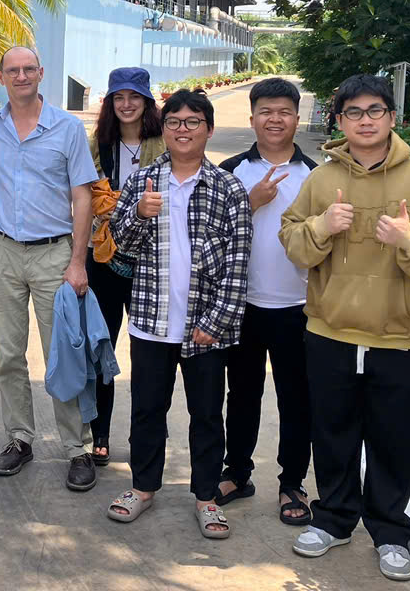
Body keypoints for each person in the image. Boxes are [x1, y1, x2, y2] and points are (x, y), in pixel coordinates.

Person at [280, 73, 410, 581]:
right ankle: (335, 520)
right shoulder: (320, 179)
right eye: (354, 112)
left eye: (375, 111)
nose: (365, 121)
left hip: (397, 334)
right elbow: (292, 239)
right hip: (330, 331)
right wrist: (321, 227)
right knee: (333, 432)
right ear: (338, 120)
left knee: (394, 437)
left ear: (391, 117)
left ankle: (389, 531)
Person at [104, 89, 252, 538]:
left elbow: (238, 264)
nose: (182, 129)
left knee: (207, 414)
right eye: (174, 122)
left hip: (206, 327)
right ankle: (143, 488)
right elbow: (120, 251)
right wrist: (137, 216)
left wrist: (217, 322)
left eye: (192, 121)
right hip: (152, 320)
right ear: (162, 129)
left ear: (208, 128)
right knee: (148, 409)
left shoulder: (228, 187)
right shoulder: (143, 181)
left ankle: (206, 497)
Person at [0, 45, 99, 491]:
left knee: (62, 354)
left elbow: (84, 196)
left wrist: (78, 261)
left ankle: (77, 448)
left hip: (54, 255)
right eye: (12, 70)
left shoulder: (66, 128)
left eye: (29, 69)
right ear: (1, 77)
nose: (21, 76)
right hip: (1, 252)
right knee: (8, 354)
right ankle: (19, 438)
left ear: (41, 74)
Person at [218, 77, 318, 524]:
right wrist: (248, 202)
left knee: (297, 399)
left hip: (300, 306)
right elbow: (211, 235)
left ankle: (291, 483)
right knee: (241, 394)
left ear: (297, 118)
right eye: (266, 111)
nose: (274, 119)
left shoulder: (316, 175)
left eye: (284, 112)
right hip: (244, 305)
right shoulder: (230, 171)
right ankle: (237, 472)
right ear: (252, 117)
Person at [85, 66, 165, 467]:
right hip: (103, 259)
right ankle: (100, 432)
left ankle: (143, 433)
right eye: (119, 97)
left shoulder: (165, 143)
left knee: (148, 353)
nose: (127, 104)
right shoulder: (96, 146)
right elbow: (83, 200)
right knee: (102, 348)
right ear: (110, 103)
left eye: (135, 97)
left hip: (151, 260)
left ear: (147, 102)